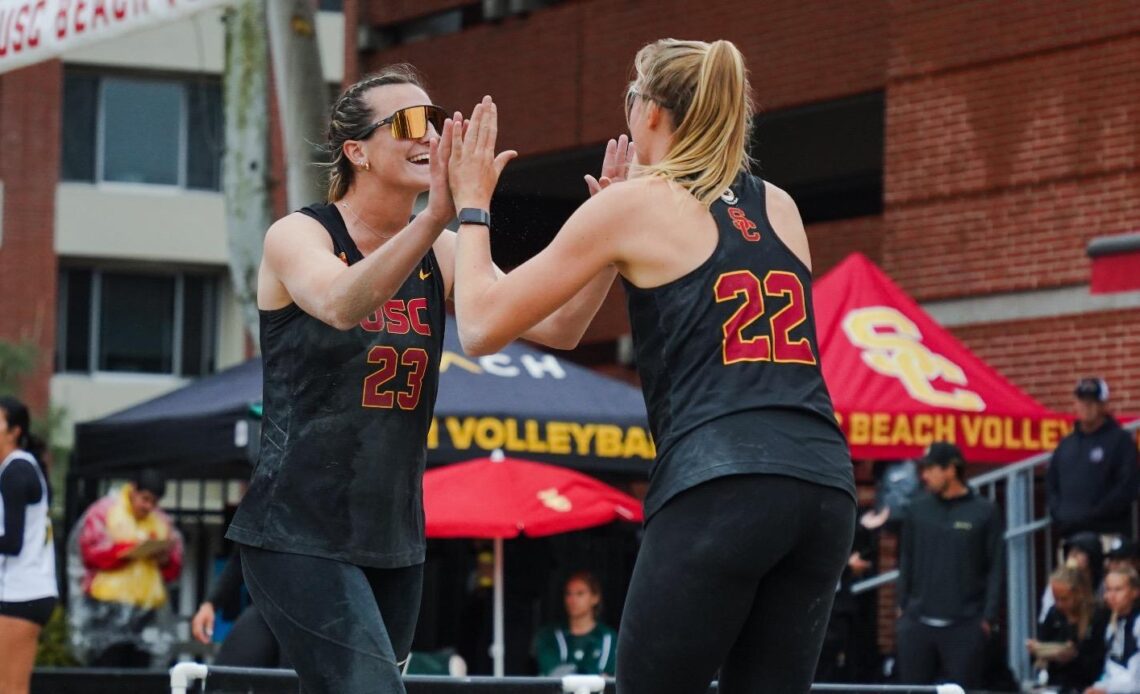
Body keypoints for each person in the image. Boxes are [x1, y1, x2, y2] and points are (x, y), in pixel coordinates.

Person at [448, 38, 857, 694]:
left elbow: (478, 323)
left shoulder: (636, 205)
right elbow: (565, 326)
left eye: (631, 100)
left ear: (652, 115)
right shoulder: (778, 204)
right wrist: (604, 242)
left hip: (721, 480)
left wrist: (471, 206)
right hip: (823, 485)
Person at [223, 65, 617, 694]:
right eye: (408, 122)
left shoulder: (442, 251)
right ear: (356, 151)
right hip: (297, 530)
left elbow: (562, 328)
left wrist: (607, 237)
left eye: (434, 120)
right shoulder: (299, 234)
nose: (429, 135)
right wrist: (435, 217)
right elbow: (342, 303)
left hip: (394, 533)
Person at [896, 442, 1003, 689]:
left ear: (951, 470)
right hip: (918, 623)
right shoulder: (917, 509)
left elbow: (996, 567)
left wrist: (987, 617)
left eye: (930, 468)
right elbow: (906, 560)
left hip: (965, 625)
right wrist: (902, 608)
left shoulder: (985, 511)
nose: (924, 475)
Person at [72, 467, 183, 667]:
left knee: (138, 675)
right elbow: (90, 554)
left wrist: (163, 558)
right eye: (145, 499)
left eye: (154, 502)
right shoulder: (104, 512)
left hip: (146, 610)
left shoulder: (161, 522)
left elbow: (173, 570)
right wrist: (129, 550)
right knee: (106, 672)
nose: (148, 506)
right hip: (105, 607)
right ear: (133, 490)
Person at [0, 396, 57, 694]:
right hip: (25, 590)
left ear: (15, 431)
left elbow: (12, 542)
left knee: (10, 688)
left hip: (22, 592)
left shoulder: (15, 470)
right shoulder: (17, 468)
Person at [1048, 378, 1139, 541]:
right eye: (1082, 400)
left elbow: (1127, 487)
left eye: (1092, 401)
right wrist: (1059, 514)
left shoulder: (1120, 440)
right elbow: (1052, 485)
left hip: (1107, 537)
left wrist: (1092, 516)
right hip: (1071, 538)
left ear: (1104, 405)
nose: (1086, 406)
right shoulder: (1066, 444)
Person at [190, 548, 284, 667]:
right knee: (224, 678)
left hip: (309, 612)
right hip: (267, 606)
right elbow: (243, 553)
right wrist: (211, 604)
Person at [1029, 565, 1109, 693]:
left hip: (1088, 684)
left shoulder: (1097, 616)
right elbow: (1039, 651)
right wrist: (1038, 651)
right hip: (1056, 683)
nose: (1059, 604)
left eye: (1064, 599)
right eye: (1056, 599)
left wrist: (1075, 656)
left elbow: (1100, 659)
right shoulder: (1054, 614)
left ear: (1079, 593)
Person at [532, 571, 617, 677]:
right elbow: (552, 672)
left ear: (595, 598)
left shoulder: (608, 638)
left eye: (580, 593)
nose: (573, 600)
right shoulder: (549, 636)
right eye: (568, 594)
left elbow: (612, 676)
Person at [1085, 566, 1140, 694]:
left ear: (1135, 592)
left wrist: (1107, 689)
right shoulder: (1111, 625)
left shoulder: (1137, 624)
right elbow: (1110, 668)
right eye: (1108, 590)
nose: (1111, 596)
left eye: (1118, 589)